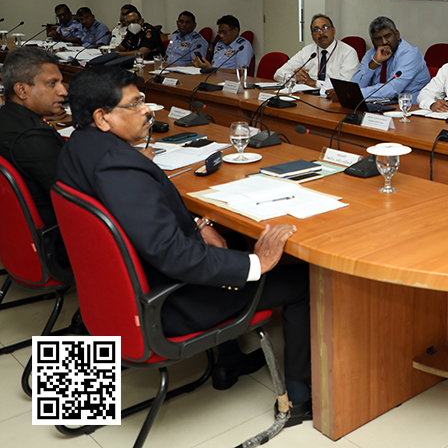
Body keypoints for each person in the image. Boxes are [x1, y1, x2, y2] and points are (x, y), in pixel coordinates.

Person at [58, 66, 313, 426]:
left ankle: (228, 361)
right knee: (304, 280)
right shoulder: (119, 166)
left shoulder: (77, 147)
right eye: (135, 104)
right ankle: (300, 400)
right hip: (167, 303)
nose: (148, 110)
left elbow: (143, 221)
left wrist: (198, 223)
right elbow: (173, 255)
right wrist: (257, 263)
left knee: (231, 239)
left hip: (111, 295)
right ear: (102, 118)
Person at [0, 47, 67, 244]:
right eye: (52, 84)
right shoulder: (32, 138)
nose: (63, 91)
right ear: (22, 90)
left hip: (19, 236)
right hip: (58, 243)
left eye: (61, 82)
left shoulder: (7, 118)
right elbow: (76, 199)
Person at [337, 16, 430, 101]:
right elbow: (355, 85)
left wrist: (352, 94)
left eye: (387, 36)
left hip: (409, 108)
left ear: (397, 35)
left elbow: (393, 89)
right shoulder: (371, 54)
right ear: (373, 42)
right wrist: (374, 63)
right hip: (381, 105)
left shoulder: (410, 54)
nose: (384, 42)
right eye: (378, 39)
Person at [274, 14, 359, 87]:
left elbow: (347, 85)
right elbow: (278, 74)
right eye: (316, 30)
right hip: (309, 98)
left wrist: (314, 83)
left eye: (325, 28)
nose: (321, 33)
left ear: (333, 30)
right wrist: (295, 77)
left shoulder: (348, 52)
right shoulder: (307, 51)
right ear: (312, 35)